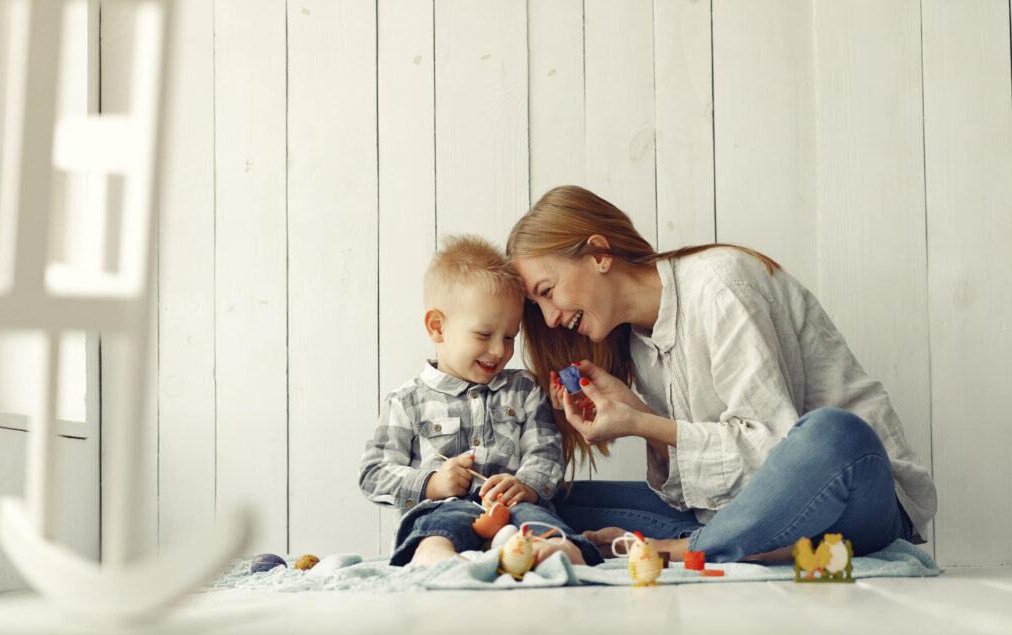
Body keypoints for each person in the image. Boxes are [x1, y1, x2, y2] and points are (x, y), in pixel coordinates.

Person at [506, 185, 937, 564]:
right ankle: (740, 546)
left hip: (854, 497)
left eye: (547, 292)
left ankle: (677, 549)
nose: (549, 317)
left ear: (599, 254)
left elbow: (773, 452)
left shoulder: (721, 286)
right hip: (738, 515)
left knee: (834, 433)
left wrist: (642, 422)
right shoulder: (636, 339)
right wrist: (638, 418)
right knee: (551, 502)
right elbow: (701, 492)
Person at [359, 234, 603, 568]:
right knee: (441, 519)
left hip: (514, 510)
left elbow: (545, 449)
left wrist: (527, 485)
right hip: (444, 507)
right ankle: (434, 555)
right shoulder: (408, 401)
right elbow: (373, 474)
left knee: (533, 516)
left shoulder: (524, 390)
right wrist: (431, 484)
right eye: (484, 335)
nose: (499, 350)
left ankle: (557, 549)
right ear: (437, 327)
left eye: (509, 337)